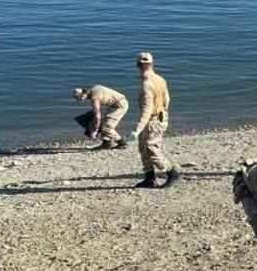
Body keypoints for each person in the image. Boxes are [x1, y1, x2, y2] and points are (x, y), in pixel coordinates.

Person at [129, 52, 180, 189]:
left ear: (138, 66)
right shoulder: (160, 79)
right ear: (152, 65)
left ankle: (172, 173)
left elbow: (146, 109)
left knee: (151, 148)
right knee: (143, 148)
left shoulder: (147, 85)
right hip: (161, 116)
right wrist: (163, 112)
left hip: (152, 120)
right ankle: (149, 178)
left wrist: (138, 129)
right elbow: (167, 100)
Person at [73, 84, 129, 149]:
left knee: (107, 127)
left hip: (120, 106)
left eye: (78, 98)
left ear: (83, 95)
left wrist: (95, 130)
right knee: (104, 124)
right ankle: (106, 143)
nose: (79, 100)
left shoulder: (94, 99)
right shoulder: (95, 88)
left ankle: (122, 143)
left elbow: (97, 116)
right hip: (115, 104)